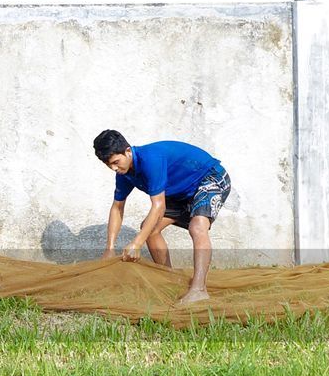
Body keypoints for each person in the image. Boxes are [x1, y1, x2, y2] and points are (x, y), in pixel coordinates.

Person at [93, 130, 231, 306]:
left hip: (210, 178)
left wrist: (136, 244)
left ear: (127, 151)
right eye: (108, 165)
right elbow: (117, 207)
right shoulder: (124, 174)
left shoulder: (151, 159)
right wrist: (110, 248)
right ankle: (171, 280)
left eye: (115, 162)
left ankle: (199, 290)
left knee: (197, 227)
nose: (114, 168)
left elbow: (159, 206)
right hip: (182, 192)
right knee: (149, 229)